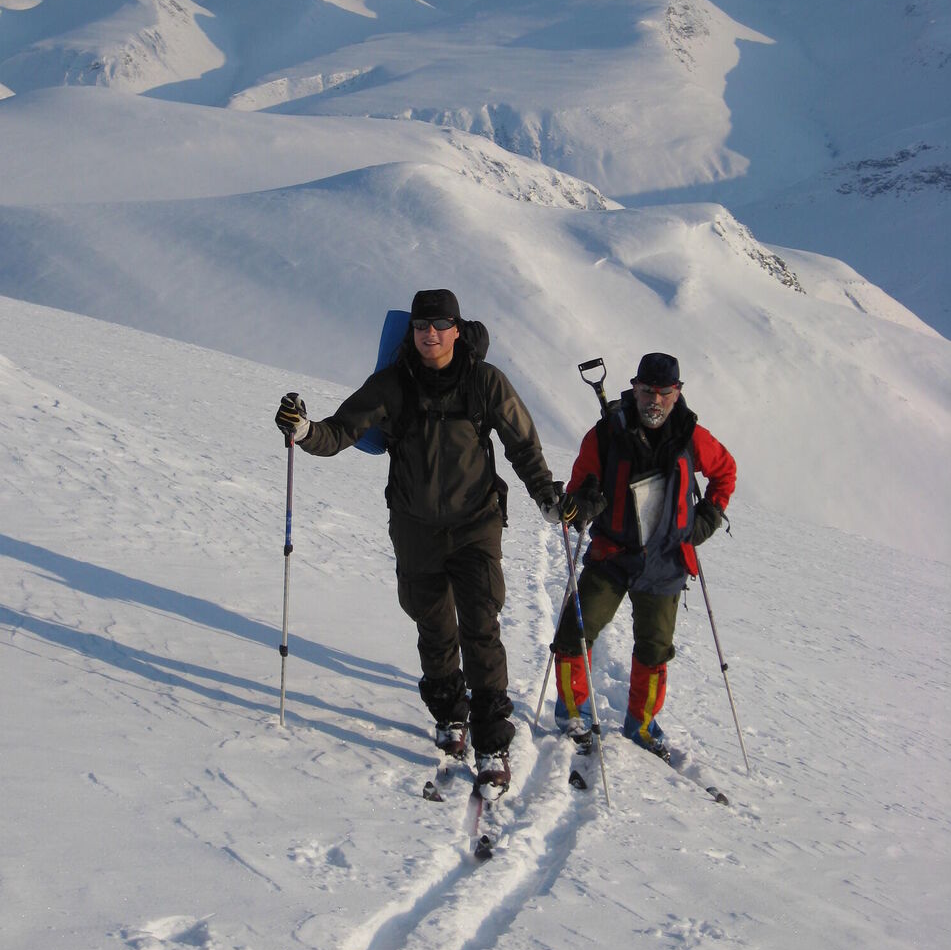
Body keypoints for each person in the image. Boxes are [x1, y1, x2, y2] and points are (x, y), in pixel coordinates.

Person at [274, 288, 562, 799]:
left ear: (457, 328)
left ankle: (492, 743)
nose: (430, 334)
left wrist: (546, 496)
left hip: (475, 524)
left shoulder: (485, 381)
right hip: (414, 526)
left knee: (480, 625)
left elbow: (522, 443)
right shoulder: (392, 384)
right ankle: (450, 716)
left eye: (439, 325)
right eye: (421, 326)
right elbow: (340, 431)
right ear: (412, 331)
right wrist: (303, 430)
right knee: (432, 623)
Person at [552, 352, 736, 762]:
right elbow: (580, 484)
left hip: (666, 559)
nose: (655, 400)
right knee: (572, 634)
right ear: (634, 388)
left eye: (664, 392)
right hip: (611, 554)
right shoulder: (605, 434)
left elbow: (725, 471)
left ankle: (642, 722)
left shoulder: (692, 436)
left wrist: (708, 516)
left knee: (654, 650)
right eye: (647, 391)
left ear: (677, 393)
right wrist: (585, 501)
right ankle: (571, 714)